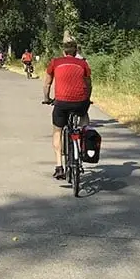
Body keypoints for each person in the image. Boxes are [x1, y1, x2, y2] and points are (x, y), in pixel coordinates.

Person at [42, 40, 92, 180]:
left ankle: (59, 167)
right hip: (80, 103)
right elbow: (89, 85)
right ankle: (83, 139)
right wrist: (86, 99)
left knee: (57, 131)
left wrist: (47, 98)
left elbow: (47, 84)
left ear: (63, 52)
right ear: (76, 52)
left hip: (61, 103)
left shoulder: (55, 62)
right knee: (84, 118)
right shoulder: (83, 64)